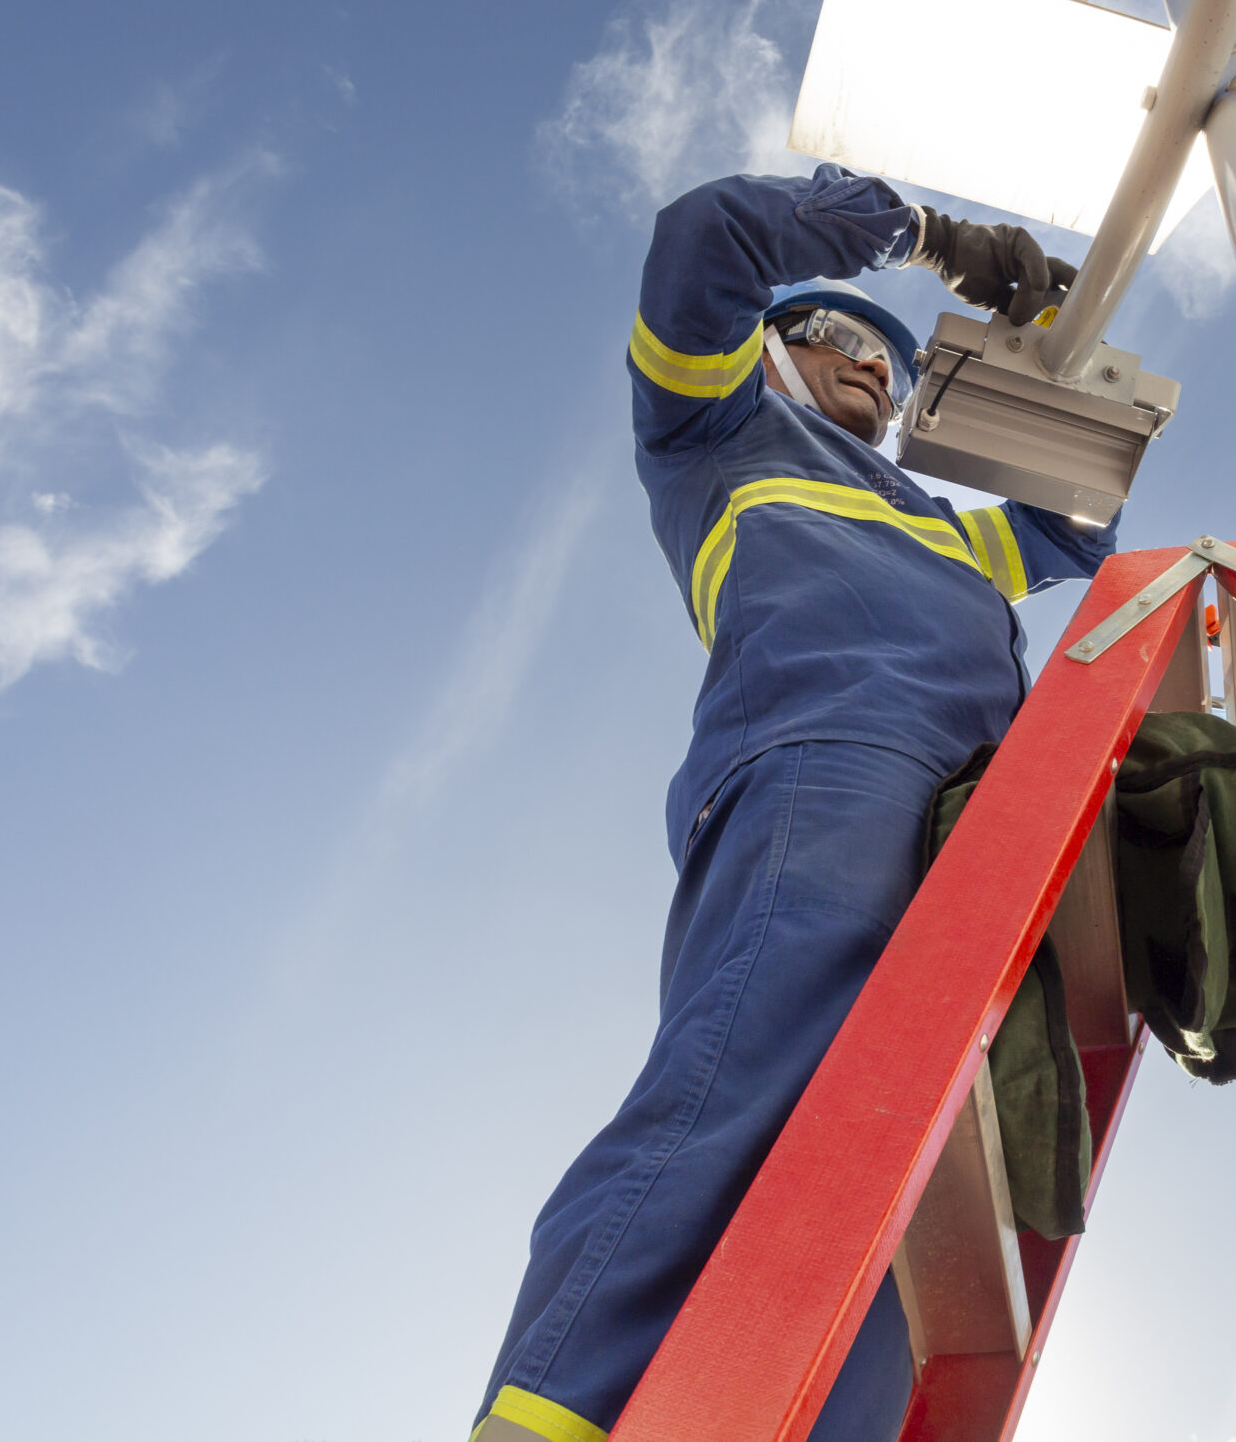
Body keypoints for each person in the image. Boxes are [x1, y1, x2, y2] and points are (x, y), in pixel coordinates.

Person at [471, 166, 1118, 1442]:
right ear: (766, 352)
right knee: (751, 1078)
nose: (871, 366)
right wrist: (924, 237)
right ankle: (560, 1418)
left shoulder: (937, 523)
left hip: (985, 807)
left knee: (920, 1172)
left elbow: (1078, 522)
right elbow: (706, 239)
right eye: (833, 338)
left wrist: (1046, 356)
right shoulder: (713, 434)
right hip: (832, 750)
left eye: (888, 362)